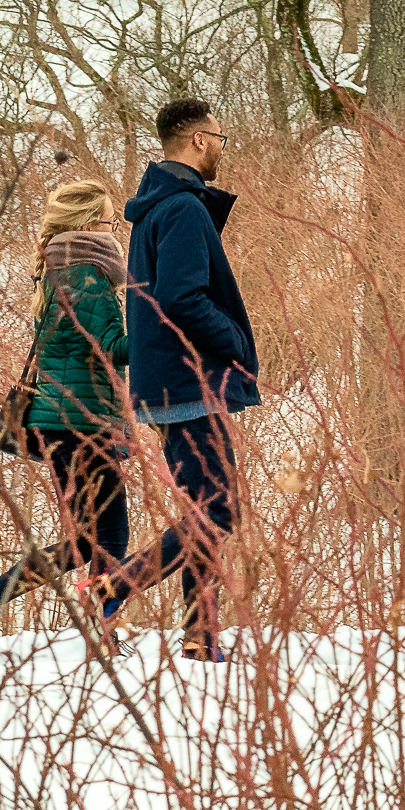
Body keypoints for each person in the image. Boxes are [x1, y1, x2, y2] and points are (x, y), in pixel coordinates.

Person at [87, 97, 260, 661]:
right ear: (201, 140)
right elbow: (181, 297)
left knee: (204, 507)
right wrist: (231, 341)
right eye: (221, 139)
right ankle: (119, 585)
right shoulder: (183, 207)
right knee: (220, 508)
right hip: (189, 383)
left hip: (168, 383)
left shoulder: (158, 208)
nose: (221, 151)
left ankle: (199, 635)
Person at [0, 179, 131, 663]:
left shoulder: (59, 269)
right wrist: (164, 335)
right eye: (111, 221)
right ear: (90, 224)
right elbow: (111, 349)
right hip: (81, 423)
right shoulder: (86, 276)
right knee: (106, 539)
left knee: (84, 542)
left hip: (66, 422)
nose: (116, 230)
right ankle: (98, 633)